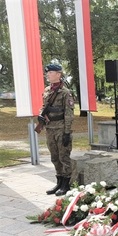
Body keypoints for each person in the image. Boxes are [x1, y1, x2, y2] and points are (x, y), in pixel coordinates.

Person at [38, 63, 74, 196]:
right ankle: (59, 182)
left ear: (58, 74)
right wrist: (40, 113)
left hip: (61, 128)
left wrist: (67, 132)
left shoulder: (65, 92)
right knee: (54, 157)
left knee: (63, 156)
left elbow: (69, 114)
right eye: (47, 72)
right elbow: (43, 106)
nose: (47, 74)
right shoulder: (47, 90)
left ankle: (66, 184)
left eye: (50, 72)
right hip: (50, 128)